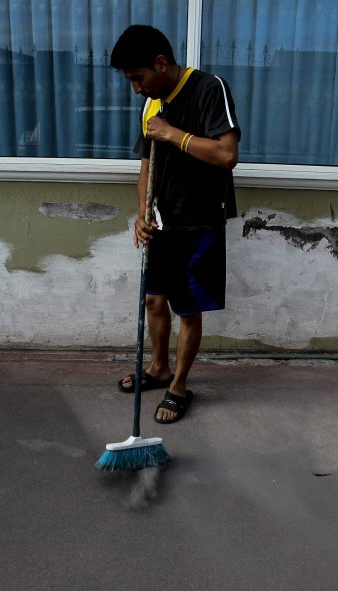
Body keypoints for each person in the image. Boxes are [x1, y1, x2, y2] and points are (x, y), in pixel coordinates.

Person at [110, 24, 240, 424]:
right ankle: (158, 368)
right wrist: (141, 213)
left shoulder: (207, 88)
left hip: (198, 222)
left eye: (138, 78)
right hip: (162, 222)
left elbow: (226, 154)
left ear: (161, 63)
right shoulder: (152, 103)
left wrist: (172, 134)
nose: (135, 88)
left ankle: (179, 385)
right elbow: (146, 166)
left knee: (189, 309)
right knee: (154, 301)